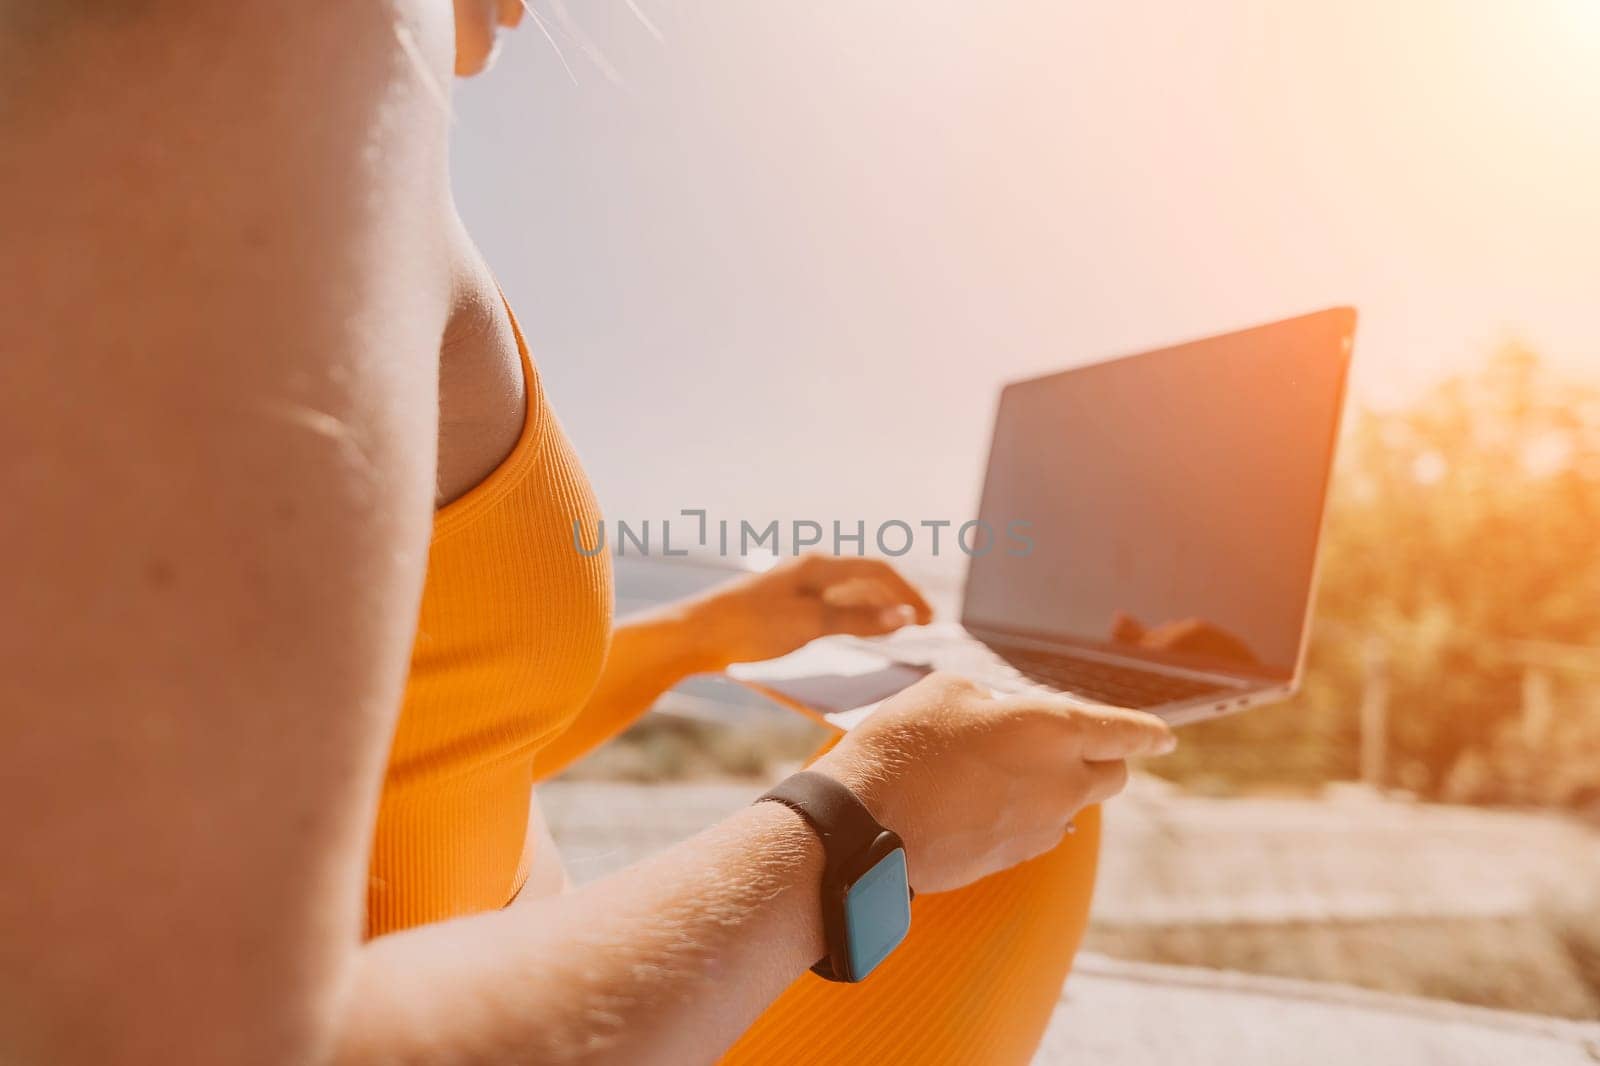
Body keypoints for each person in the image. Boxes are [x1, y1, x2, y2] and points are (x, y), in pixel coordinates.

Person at [0, 3, 1175, 1063]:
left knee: (1020, 752)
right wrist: (861, 820)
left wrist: (704, 634)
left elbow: (427, 733)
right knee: (1034, 792)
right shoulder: (286, 44)